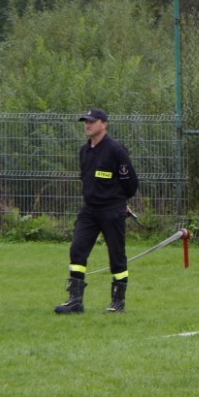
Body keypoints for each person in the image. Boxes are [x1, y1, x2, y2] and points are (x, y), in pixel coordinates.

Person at [53, 108, 139, 314]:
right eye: (86, 122)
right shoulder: (85, 151)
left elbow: (130, 184)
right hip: (89, 211)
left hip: (112, 210)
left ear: (104, 124)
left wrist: (119, 201)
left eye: (92, 121)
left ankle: (118, 303)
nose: (87, 125)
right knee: (77, 249)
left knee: (116, 255)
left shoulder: (116, 150)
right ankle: (75, 301)